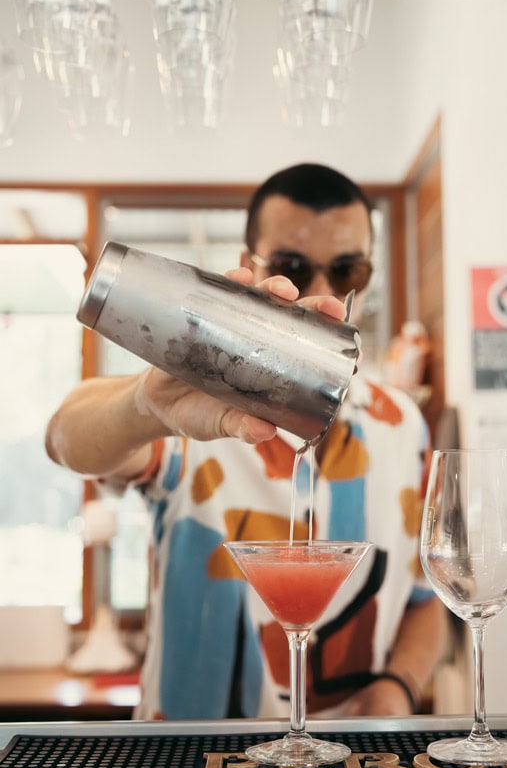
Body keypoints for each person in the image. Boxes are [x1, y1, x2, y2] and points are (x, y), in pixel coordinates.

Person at [46, 163, 447, 721]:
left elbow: (426, 600)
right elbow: (66, 437)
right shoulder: (196, 411)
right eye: (292, 267)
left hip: (352, 763)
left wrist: (398, 689)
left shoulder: (404, 424)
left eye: (348, 268)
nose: (324, 294)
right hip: (188, 763)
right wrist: (144, 404)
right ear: (255, 265)